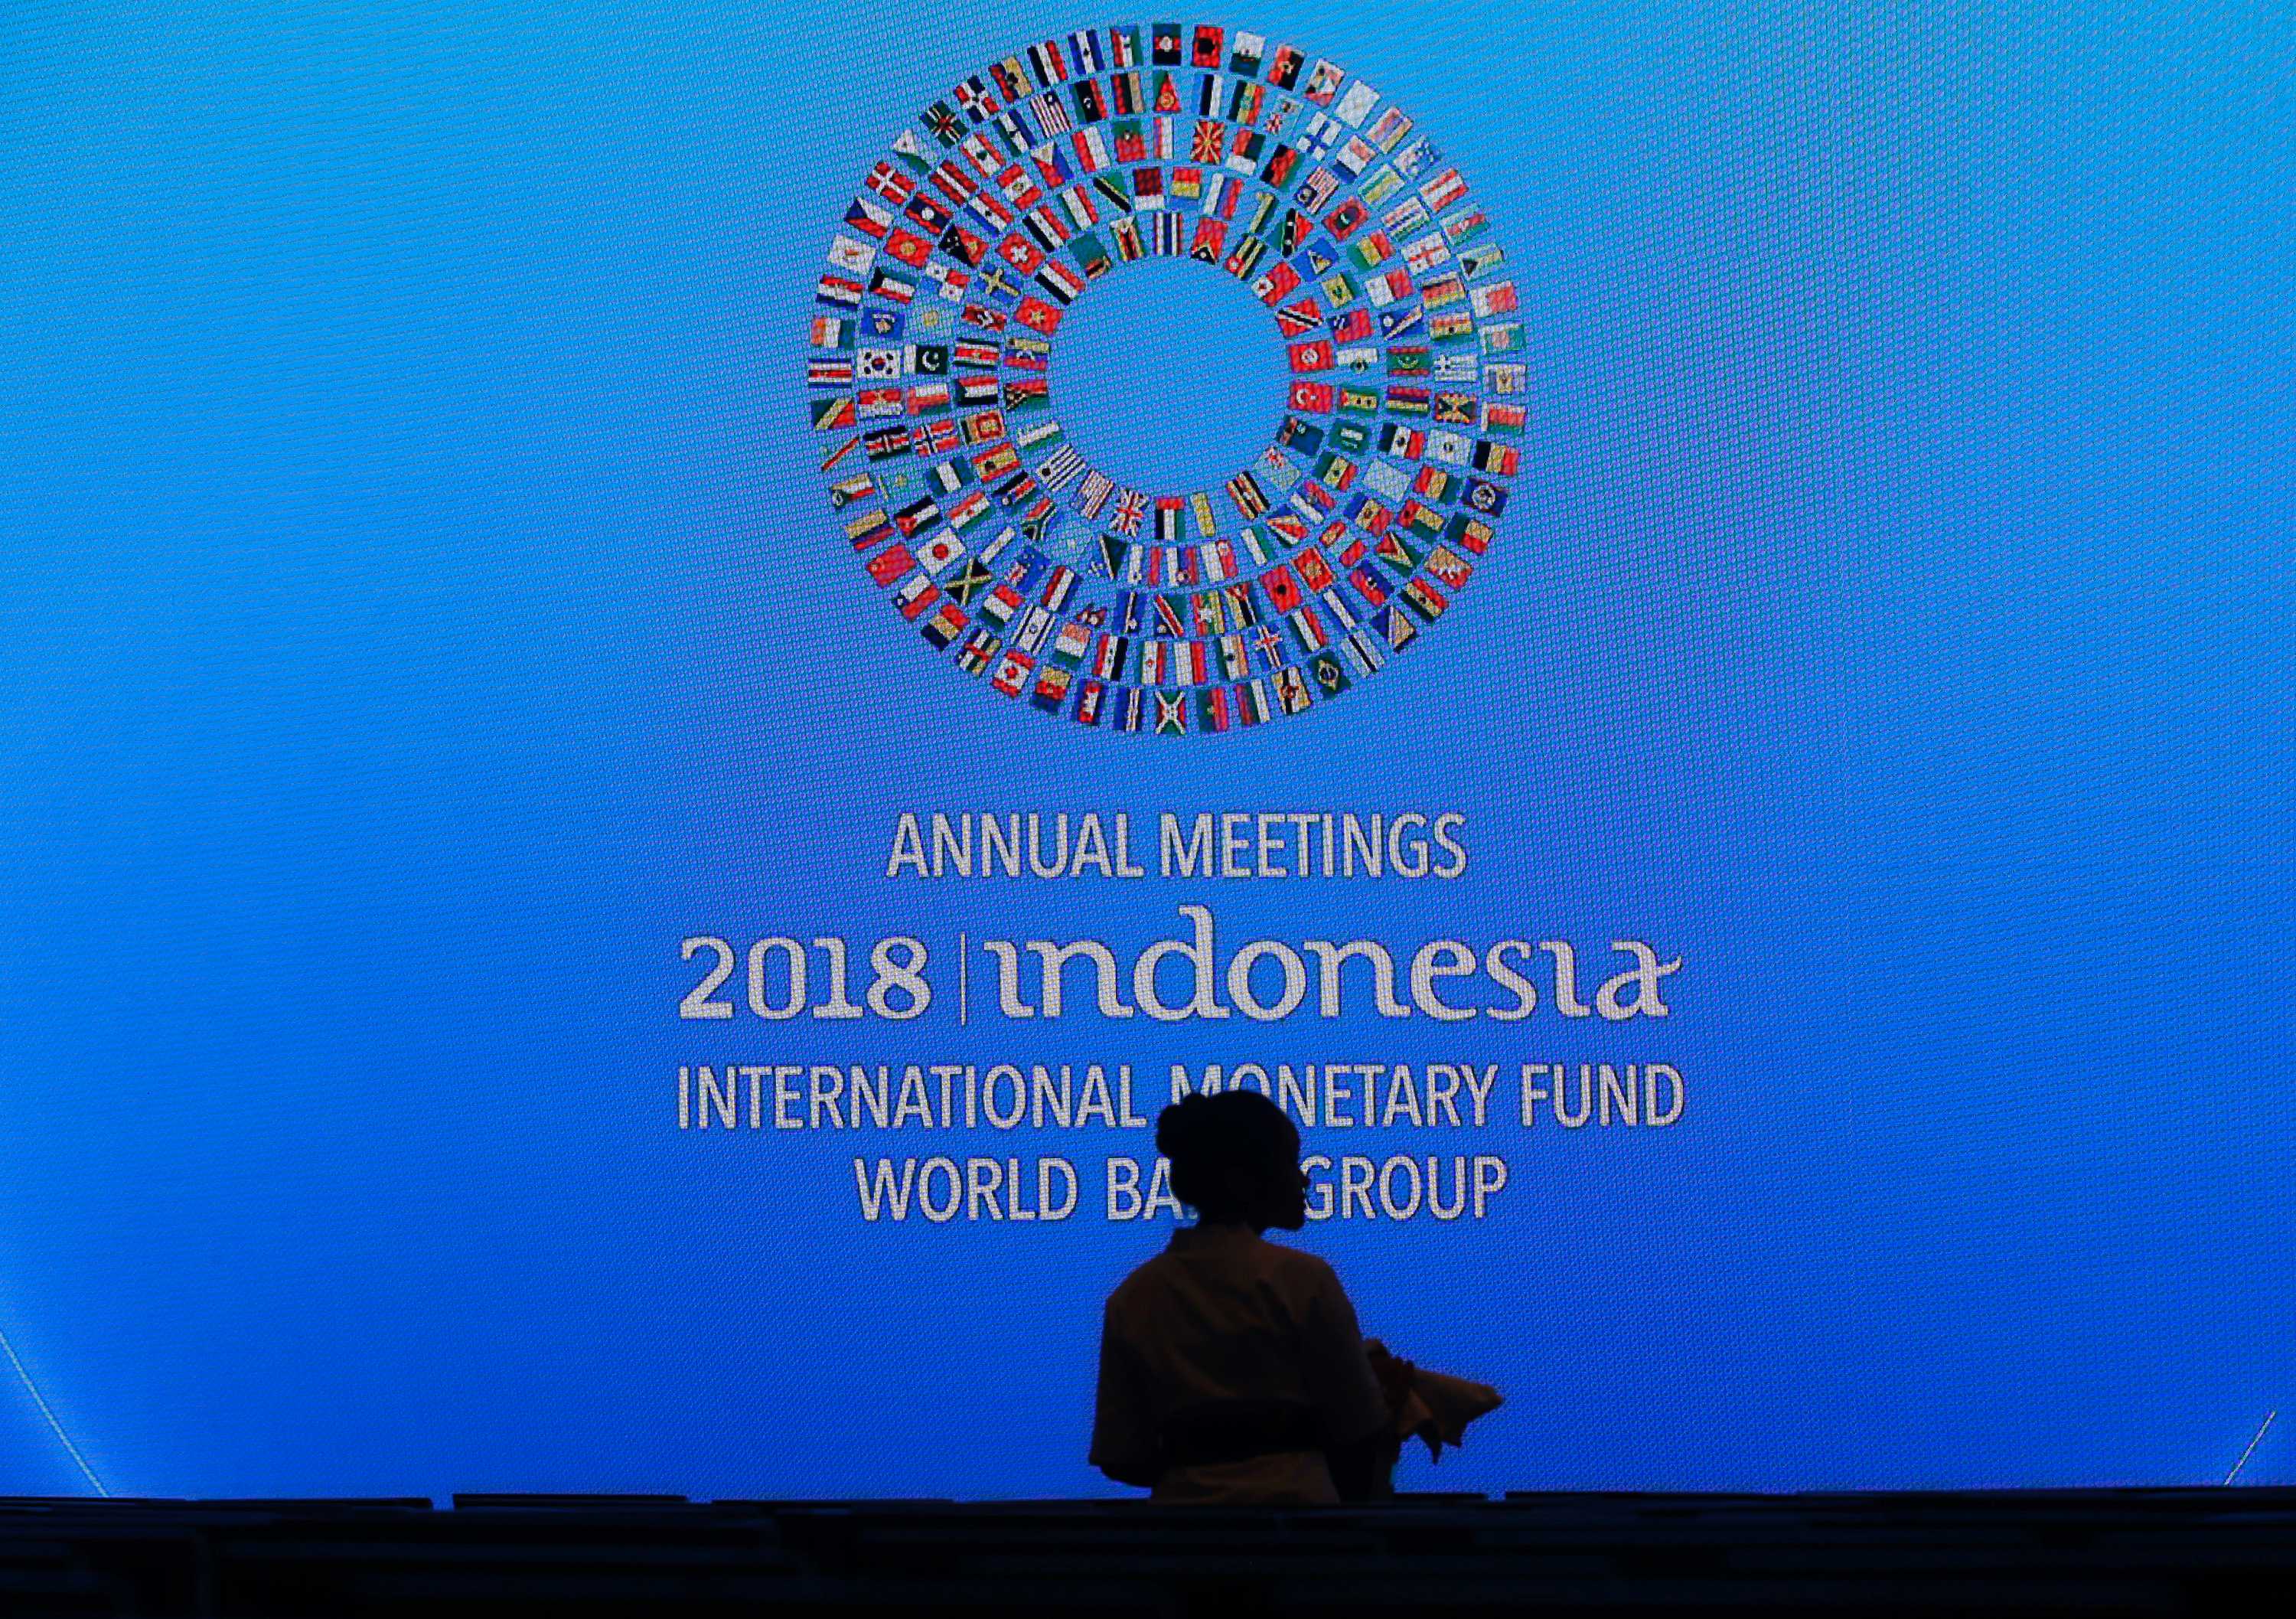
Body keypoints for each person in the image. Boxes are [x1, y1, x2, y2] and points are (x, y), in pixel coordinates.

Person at [1089, 1090, 1407, 1503]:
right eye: (1290, 1164)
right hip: (1305, 1527)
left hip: (1178, 1530)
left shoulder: (1133, 1297)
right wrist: (1389, 1399)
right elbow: (1360, 1428)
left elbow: (1121, 1456)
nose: (1304, 1180)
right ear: (1243, 1180)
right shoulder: (1303, 1281)